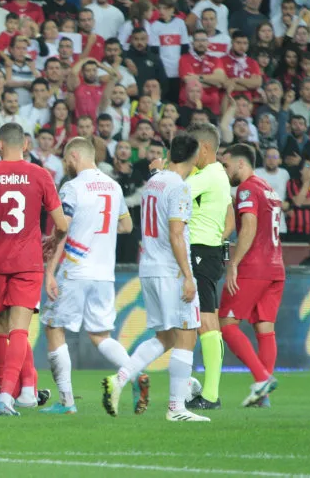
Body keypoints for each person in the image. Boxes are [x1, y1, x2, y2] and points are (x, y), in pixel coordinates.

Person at [101, 134, 209, 422]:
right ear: (195, 156)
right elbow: (176, 234)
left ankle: (121, 379)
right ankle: (176, 408)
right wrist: (188, 276)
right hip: (171, 271)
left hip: (148, 266)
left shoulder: (154, 182)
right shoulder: (180, 188)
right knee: (187, 336)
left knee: (165, 337)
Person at [0, 122, 69, 416]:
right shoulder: (41, 175)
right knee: (19, 329)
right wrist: (53, 240)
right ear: (25, 145)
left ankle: (5, 391)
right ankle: (11, 396)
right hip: (28, 262)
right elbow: (62, 224)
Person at [39, 137, 134, 415]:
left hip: (76, 269)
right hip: (105, 273)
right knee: (100, 335)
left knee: (54, 328)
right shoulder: (114, 186)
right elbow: (126, 225)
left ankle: (67, 402)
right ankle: (133, 371)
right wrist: (98, 231)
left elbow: (62, 228)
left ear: (75, 156)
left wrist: (49, 272)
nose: (67, 164)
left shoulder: (72, 187)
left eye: (68, 159)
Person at [222, 143, 283, 407]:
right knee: (265, 328)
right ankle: (263, 396)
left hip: (254, 265)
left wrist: (234, 262)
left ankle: (261, 378)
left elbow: (248, 226)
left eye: (226, 165)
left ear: (240, 163)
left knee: (226, 323)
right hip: (276, 266)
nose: (225, 171)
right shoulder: (269, 189)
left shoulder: (246, 188)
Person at [184, 122, 234, 411]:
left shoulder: (209, 175)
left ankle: (212, 395)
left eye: (192, 147)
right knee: (199, 320)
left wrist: (159, 173)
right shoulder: (212, 174)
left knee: (206, 322)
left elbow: (175, 192)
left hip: (202, 251)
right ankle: (196, 387)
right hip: (206, 250)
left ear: (204, 147)